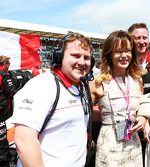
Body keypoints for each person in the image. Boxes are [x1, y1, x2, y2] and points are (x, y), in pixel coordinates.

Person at [11, 32, 92, 167]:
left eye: (87, 57)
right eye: (75, 56)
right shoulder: (41, 85)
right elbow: (24, 140)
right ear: (59, 57)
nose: (82, 62)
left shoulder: (81, 86)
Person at [89, 30, 148, 166]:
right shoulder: (98, 82)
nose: (124, 55)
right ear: (109, 54)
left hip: (133, 143)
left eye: (127, 50)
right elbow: (85, 115)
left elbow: (143, 106)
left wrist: (144, 118)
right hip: (109, 144)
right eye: (118, 51)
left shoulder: (138, 80)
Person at [128, 23, 150, 166]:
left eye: (144, 37)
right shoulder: (122, 64)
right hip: (129, 130)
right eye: (137, 38)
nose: (141, 41)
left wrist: (147, 117)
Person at [0, 55, 11, 167]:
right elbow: (10, 91)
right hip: (1, 112)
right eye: (8, 64)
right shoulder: (3, 75)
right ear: (4, 64)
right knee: (2, 137)